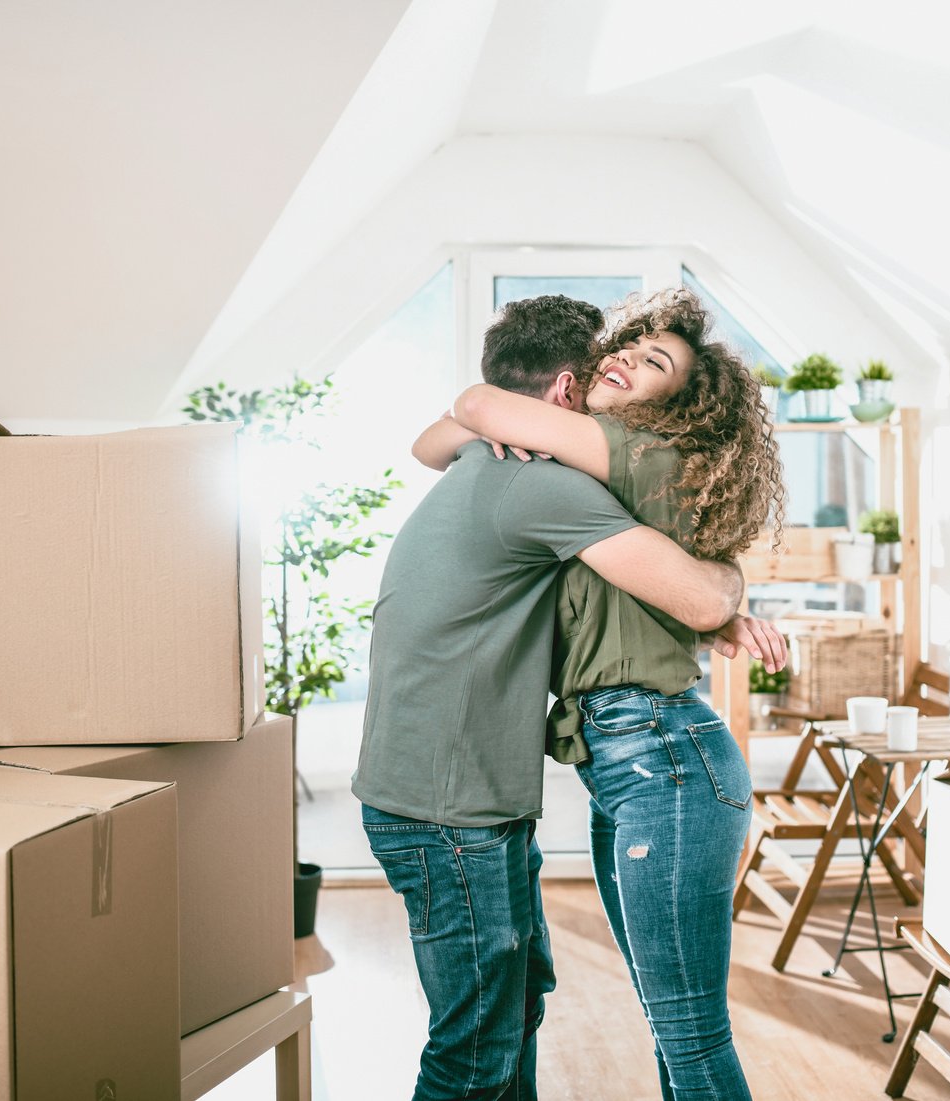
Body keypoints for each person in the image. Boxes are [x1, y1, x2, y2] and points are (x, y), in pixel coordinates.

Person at [354, 294, 781, 1101]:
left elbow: (679, 596)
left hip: (602, 772)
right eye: (603, 364)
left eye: (648, 363)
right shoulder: (546, 485)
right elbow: (692, 595)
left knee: (528, 1018)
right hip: (476, 801)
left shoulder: (532, 466)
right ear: (561, 393)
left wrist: (719, 600)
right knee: (486, 1042)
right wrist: (725, 596)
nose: (615, 371)